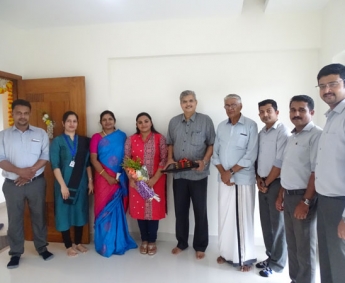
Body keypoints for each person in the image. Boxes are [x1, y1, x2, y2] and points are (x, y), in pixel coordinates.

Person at [0, 99, 53, 269]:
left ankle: (42, 248)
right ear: (13, 114)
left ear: (29, 114)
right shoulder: (3, 135)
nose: (22, 116)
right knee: (14, 219)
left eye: (25, 113)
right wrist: (19, 171)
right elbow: (1, 159)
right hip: (12, 183)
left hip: (36, 183)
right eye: (19, 113)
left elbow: (45, 156)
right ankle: (15, 253)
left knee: (39, 216)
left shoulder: (41, 133)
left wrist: (29, 173)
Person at [276, 95, 322, 283]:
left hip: (303, 198)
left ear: (311, 112)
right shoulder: (291, 135)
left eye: (301, 110)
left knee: (304, 248)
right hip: (288, 196)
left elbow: (315, 172)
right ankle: (295, 280)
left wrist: (305, 201)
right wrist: (281, 194)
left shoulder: (316, 135)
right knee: (292, 245)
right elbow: (287, 168)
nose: (296, 114)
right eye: (293, 110)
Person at [166, 90, 215, 260]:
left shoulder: (205, 120)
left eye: (191, 101)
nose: (188, 104)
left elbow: (211, 144)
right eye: (185, 101)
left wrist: (205, 161)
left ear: (196, 102)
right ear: (181, 104)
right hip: (179, 175)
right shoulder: (173, 122)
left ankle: (200, 246)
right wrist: (171, 158)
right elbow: (170, 143)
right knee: (180, 211)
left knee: (200, 211)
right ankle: (181, 243)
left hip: (198, 174)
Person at [212, 94, 258, 272]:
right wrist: (223, 173)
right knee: (224, 217)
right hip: (224, 179)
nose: (230, 108)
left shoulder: (250, 125)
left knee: (241, 219)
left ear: (241, 106)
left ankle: (244, 258)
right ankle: (225, 252)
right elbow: (215, 153)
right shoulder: (221, 127)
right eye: (227, 105)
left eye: (233, 105)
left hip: (242, 180)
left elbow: (250, 155)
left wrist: (230, 172)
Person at [90, 110, 137, 257]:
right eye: (104, 120)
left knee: (117, 208)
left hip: (119, 178)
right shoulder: (96, 137)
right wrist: (106, 176)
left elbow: (127, 156)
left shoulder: (122, 136)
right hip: (102, 179)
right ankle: (104, 243)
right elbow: (93, 159)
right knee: (102, 208)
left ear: (115, 121)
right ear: (100, 122)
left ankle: (117, 240)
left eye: (110, 119)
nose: (107, 122)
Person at [315, 63, 345, 283]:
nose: (327, 90)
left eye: (333, 84)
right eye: (322, 85)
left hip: (340, 204)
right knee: (325, 259)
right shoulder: (332, 117)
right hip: (325, 200)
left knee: (340, 262)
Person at [50, 111, 93, 257]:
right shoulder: (57, 141)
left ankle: (78, 243)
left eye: (74, 121)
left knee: (79, 212)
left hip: (80, 183)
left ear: (77, 123)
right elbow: (55, 165)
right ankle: (68, 245)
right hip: (64, 184)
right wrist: (62, 185)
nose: (71, 124)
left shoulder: (83, 141)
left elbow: (87, 163)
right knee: (64, 213)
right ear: (63, 123)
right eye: (68, 121)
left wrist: (90, 181)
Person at [125, 112, 167, 255]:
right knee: (140, 210)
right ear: (136, 125)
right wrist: (132, 178)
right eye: (140, 122)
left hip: (156, 181)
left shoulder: (159, 138)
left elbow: (164, 160)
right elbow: (126, 160)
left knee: (153, 211)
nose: (143, 124)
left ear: (151, 122)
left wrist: (154, 178)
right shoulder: (131, 140)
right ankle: (144, 240)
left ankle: (152, 241)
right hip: (137, 182)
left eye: (146, 121)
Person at [255, 99, 289, 277]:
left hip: (275, 184)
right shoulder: (262, 133)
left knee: (278, 225)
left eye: (269, 111)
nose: (265, 114)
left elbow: (280, 161)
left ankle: (277, 264)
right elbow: (258, 159)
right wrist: (258, 179)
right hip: (262, 183)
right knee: (266, 224)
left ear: (277, 112)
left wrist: (266, 182)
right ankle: (270, 257)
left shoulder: (282, 131)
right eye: (261, 112)